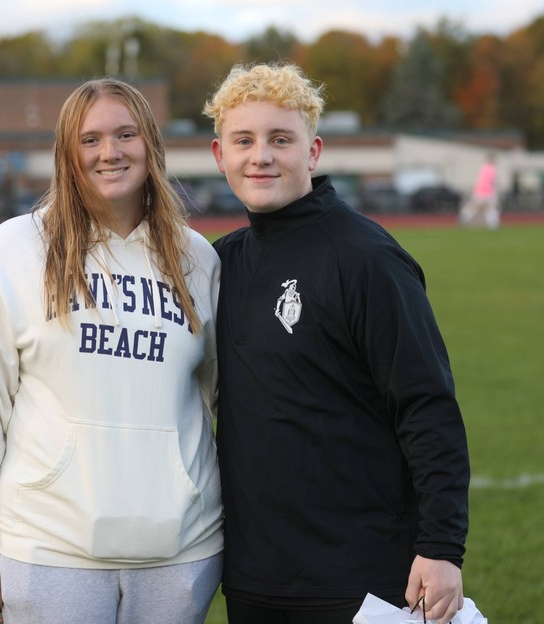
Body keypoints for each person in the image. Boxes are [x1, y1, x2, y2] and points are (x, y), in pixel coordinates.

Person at [203, 62, 470, 624]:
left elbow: (427, 406)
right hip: (254, 578)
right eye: (243, 141)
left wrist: (442, 547)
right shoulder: (219, 263)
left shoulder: (367, 259)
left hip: (361, 575)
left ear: (314, 151)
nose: (261, 156)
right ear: (218, 155)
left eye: (281, 139)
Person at [0, 78, 223, 624]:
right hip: (51, 552)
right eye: (91, 139)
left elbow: (229, 401)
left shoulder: (198, 259)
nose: (110, 152)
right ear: (67, 154)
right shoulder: (16, 248)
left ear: (151, 144)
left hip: (182, 552)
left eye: (126, 134)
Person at [460, 154, 500, 229]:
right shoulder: (491, 169)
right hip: (487, 192)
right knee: (490, 207)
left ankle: (464, 217)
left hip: (480, 191)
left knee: (477, 207)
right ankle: (493, 223)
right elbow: (492, 181)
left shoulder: (483, 168)